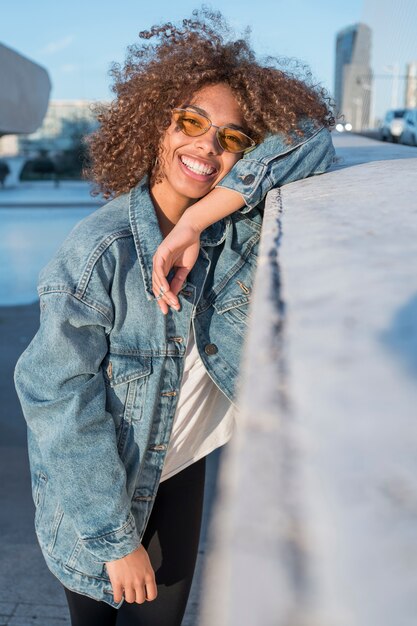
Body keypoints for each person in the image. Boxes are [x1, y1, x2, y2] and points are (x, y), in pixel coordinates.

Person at [14, 10, 335, 626]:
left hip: (182, 468)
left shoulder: (230, 228)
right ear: (154, 122)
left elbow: (313, 134)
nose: (208, 146)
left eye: (233, 137)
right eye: (191, 122)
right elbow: (55, 400)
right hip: (100, 497)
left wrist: (194, 221)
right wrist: (116, 541)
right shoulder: (98, 253)